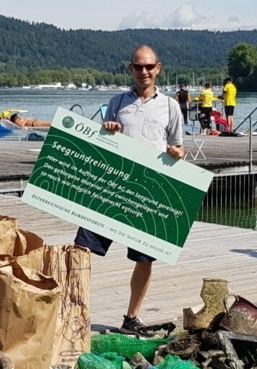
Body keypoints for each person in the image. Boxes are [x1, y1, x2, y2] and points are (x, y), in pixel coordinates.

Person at [74, 45, 184, 334]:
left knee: (144, 260)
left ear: (158, 68)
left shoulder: (171, 106)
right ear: (130, 69)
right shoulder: (116, 102)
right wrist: (107, 129)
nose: (144, 72)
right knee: (81, 249)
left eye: (149, 67)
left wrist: (177, 153)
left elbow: (178, 146)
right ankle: (73, 308)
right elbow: (101, 143)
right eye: (138, 67)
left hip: (148, 191)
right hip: (113, 187)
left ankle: (131, 317)